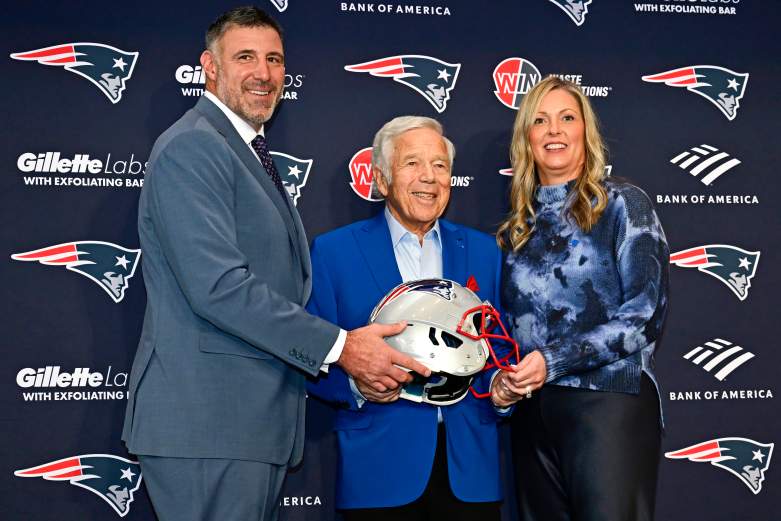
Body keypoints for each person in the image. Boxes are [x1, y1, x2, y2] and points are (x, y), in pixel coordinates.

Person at [121, 7, 430, 521]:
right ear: (210, 67)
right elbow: (218, 287)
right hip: (209, 424)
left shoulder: (241, 150)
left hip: (243, 427)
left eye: (274, 60)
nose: (263, 73)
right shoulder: (195, 147)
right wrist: (341, 347)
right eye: (245, 57)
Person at [306, 116, 506, 521]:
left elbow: (497, 351)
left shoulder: (485, 252)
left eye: (440, 166)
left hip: (470, 475)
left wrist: (503, 389)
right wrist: (360, 385)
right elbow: (313, 355)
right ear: (381, 179)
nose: (429, 177)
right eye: (413, 163)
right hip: (379, 473)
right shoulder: (334, 253)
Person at [492, 76, 669, 521]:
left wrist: (553, 360)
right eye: (540, 120)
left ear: (585, 132)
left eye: (566, 118)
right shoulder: (517, 228)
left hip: (608, 404)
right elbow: (508, 331)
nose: (554, 130)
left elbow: (644, 316)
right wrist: (503, 384)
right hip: (532, 415)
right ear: (526, 139)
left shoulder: (623, 204)